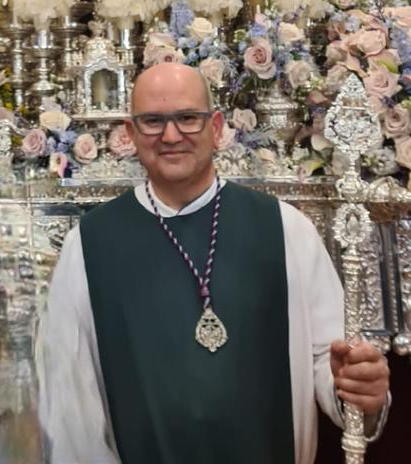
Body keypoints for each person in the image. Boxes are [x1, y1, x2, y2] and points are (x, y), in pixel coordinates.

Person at [37, 61, 390, 464]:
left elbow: (330, 359)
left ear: (216, 127)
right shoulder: (89, 244)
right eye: (153, 121)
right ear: (131, 134)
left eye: (188, 118)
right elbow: (68, 401)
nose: (171, 135)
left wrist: (359, 388)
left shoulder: (287, 229)